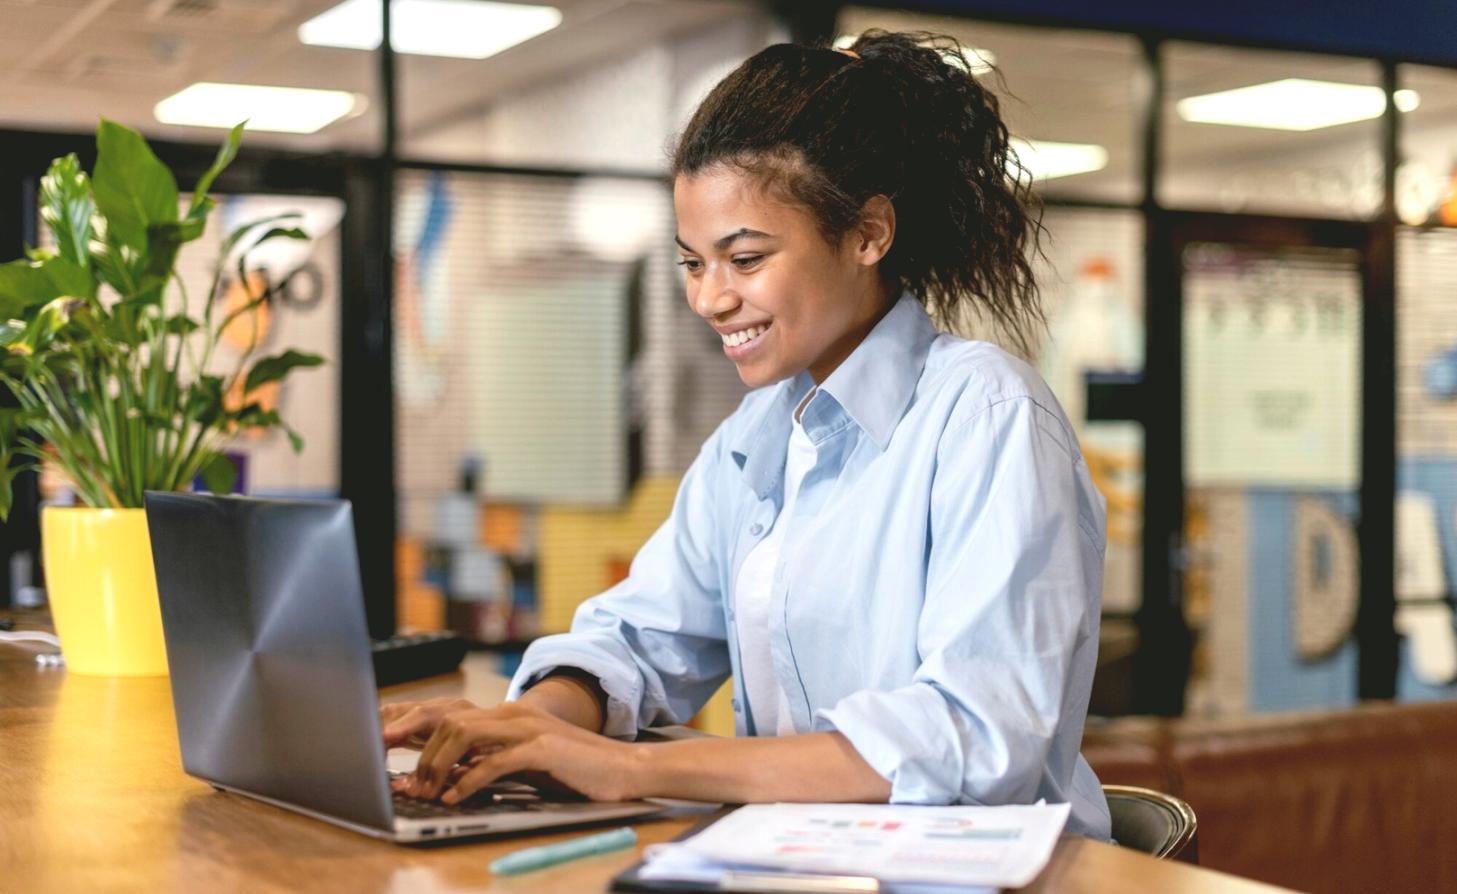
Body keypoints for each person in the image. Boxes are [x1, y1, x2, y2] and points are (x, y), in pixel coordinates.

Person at [381, 28, 1113, 840]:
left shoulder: (986, 416)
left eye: (746, 258)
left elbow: (970, 737)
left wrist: (631, 769)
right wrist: (533, 726)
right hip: (810, 858)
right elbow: (639, 636)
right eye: (693, 263)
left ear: (868, 234)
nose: (710, 299)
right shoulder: (758, 433)